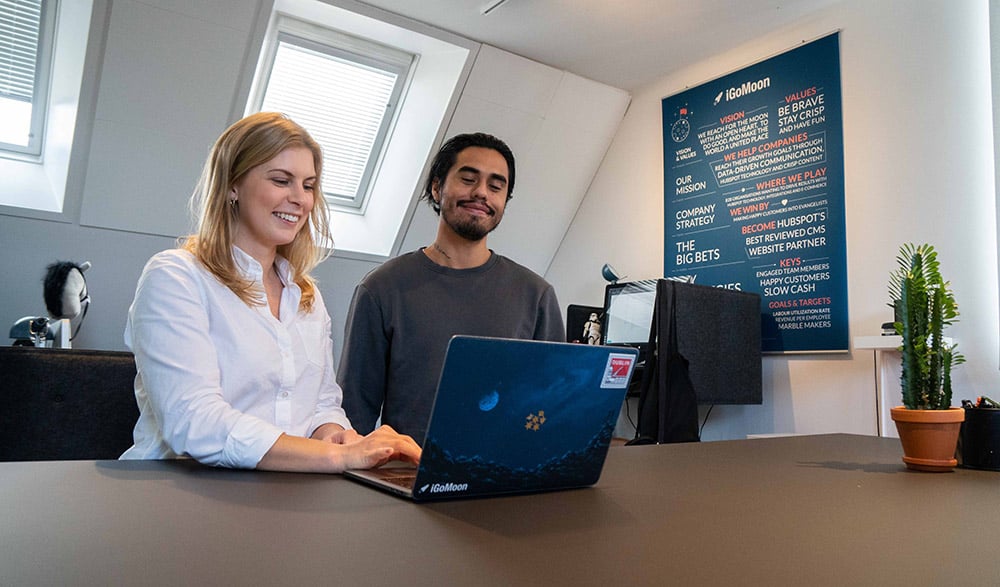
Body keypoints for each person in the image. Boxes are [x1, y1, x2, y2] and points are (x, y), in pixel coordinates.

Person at [120, 112, 420, 473]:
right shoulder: (175, 278)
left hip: (282, 490)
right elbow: (193, 420)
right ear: (232, 184)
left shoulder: (306, 296)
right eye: (282, 180)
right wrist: (338, 457)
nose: (300, 199)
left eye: (308, 185)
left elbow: (321, 401)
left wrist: (339, 436)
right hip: (181, 489)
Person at [338, 132, 565, 443]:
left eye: (496, 186)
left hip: (503, 481)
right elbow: (354, 411)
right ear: (436, 187)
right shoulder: (382, 288)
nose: (482, 193)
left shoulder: (536, 295)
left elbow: (551, 407)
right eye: (468, 179)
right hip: (406, 478)